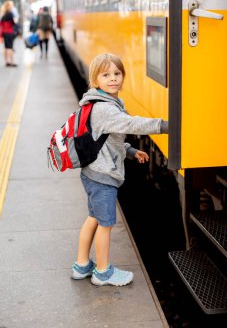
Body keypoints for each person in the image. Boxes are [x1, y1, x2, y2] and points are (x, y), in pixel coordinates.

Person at [71, 53, 169, 286]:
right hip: (102, 176)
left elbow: (108, 140)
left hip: (93, 171)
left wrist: (131, 151)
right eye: (106, 75)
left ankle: (82, 265)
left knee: (93, 218)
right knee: (105, 224)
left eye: (117, 73)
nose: (113, 78)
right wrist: (163, 125)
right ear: (95, 80)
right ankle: (103, 273)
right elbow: (130, 123)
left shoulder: (102, 102)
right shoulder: (106, 108)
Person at [0, 0, 18, 67]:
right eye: (11, 5)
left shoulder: (3, 14)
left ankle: (6, 61)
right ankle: (12, 61)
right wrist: (15, 20)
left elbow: (1, 24)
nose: (12, 6)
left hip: (4, 33)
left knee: (5, 47)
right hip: (9, 32)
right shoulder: (10, 14)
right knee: (10, 47)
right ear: (9, 6)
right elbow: (14, 23)